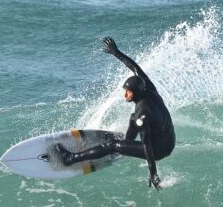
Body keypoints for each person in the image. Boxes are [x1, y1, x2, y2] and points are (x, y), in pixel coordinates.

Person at [54, 37, 175, 190]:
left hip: (160, 149)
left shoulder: (142, 113)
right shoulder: (148, 88)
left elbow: (147, 146)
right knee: (132, 118)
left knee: (112, 145)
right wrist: (116, 52)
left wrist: (153, 173)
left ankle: (70, 158)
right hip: (169, 140)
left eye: (128, 93)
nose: (125, 95)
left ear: (135, 93)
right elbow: (135, 68)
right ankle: (127, 141)